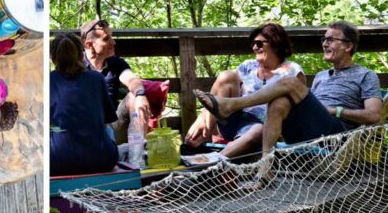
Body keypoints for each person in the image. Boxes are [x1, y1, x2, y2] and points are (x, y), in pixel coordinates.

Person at [194, 21, 382, 155]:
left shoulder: (366, 75)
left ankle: (231, 105)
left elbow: (374, 115)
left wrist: (335, 110)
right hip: (303, 133)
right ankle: (265, 168)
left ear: (348, 46)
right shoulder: (321, 76)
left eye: (331, 40)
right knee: (280, 100)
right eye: (324, 39)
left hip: (336, 134)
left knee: (289, 83)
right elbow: (306, 107)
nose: (324, 43)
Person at [184, 23, 304, 158]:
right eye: (253, 44)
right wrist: (201, 118)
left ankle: (213, 160)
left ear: (275, 43)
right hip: (235, 121)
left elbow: (300, 106)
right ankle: (204, 136)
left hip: (265, 130)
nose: (254, 47)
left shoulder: (292, 71)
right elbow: (220, 89)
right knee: (226, 76)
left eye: (259, 44)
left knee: (259, 129)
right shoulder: (248, 66)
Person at [51, 32, 119, 176]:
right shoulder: (97, 79)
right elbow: (107, 122)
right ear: (82, 55)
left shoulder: (48, 81)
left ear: (53, 58)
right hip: (103, 160)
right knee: (108, 130)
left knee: (52, 129)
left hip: (57, 162)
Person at [81, 17, 153, 143]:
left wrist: (140, 95)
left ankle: (138, 153)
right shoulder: (76, 65)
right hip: (86, 130)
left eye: (112, 37)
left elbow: (131, 79)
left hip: (112, 125)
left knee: (133, 97)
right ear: (89, 44)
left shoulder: (116, 63)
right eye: (106, 39)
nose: (113, 43)